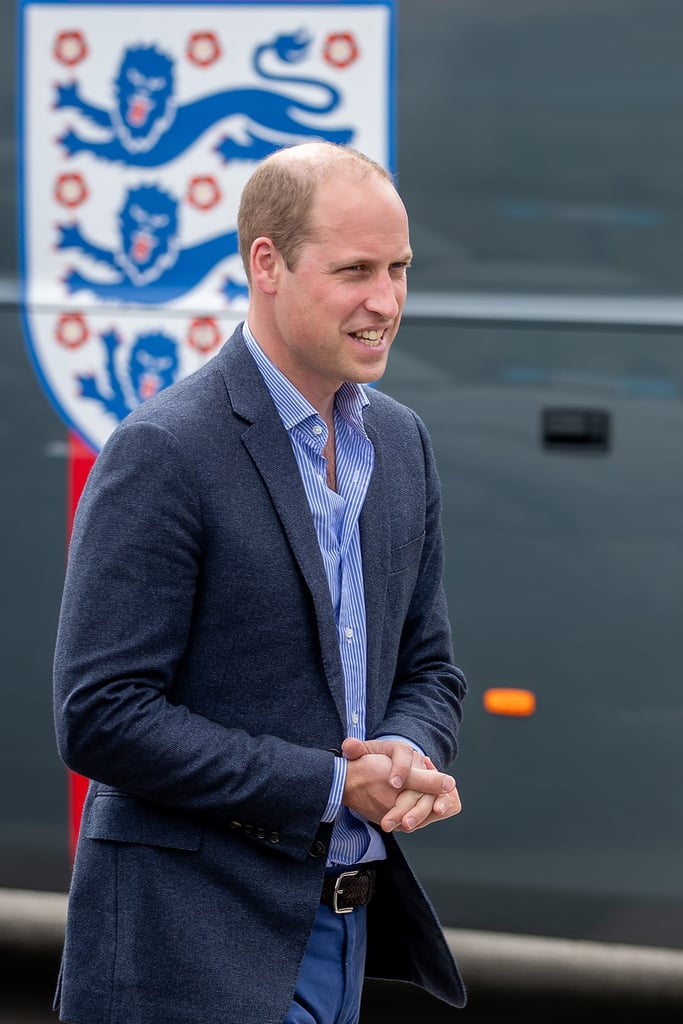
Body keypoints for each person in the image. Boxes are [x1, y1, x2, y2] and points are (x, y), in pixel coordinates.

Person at [53, 141, 467, 1024]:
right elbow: (101, 714)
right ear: (265, 264)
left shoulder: (401, 443)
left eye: (398, 269)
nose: (386, 301)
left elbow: (429, 669)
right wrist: (329, 785)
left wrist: (403, 751)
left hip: (341, 931)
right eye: (354, 270)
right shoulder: (164, 450)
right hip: (183, 953)